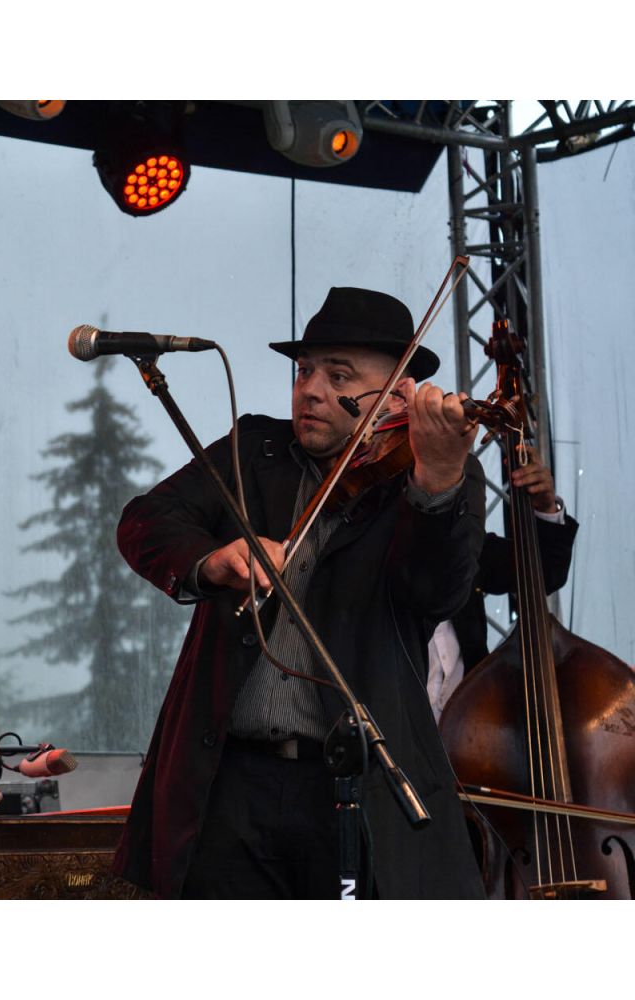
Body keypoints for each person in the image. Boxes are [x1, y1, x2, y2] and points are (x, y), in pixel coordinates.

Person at [114, 286, 487, 899]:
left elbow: (436, 591)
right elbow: (145, 521)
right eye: (304, 371)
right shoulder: (256, 449)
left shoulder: (434, 471)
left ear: (396, 396)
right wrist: (211, 560)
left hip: (353, 787)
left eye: (338, 376)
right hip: (229, 783)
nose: (309, 390)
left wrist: (437, 480)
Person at [427, 447, 578, 720]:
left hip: (469, 729)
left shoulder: (468, 546)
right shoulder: (373, 549)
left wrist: (545, 507)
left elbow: (545, 571)